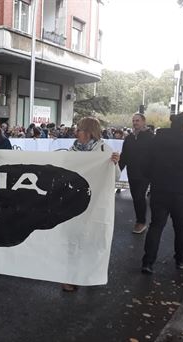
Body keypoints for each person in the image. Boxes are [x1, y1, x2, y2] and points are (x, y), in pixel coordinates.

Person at [141, 113, 183, 274]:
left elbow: (145, 165)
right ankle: (181, 260)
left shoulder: (156, 140)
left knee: (155, 226)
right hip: (181, 191)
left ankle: (148, 262)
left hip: (159, 189)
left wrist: (155, 177)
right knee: (181, 227)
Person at [63, 117, 121, 292]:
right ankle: (70, 277)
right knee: (72, 239)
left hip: (95, 203)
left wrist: (115, 163)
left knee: (91, 240)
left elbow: (116, 176)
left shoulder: (104, 149)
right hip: (73, 201)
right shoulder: (72, 149)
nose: (76, 132)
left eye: (79, 129)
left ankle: (89, 275)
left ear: (88, 132)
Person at [119, 113, 154, 234]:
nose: (135, 123)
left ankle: (141, 222)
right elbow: (124, 156)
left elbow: (156, 156)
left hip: (145, 173)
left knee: (139, 196)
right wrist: (117, 170)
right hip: (132, 172)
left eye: (137, 120)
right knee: (136, 198)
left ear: (143, 121)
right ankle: (140, 219)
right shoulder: (128, 138)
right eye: (133, 121)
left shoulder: (151, 137)